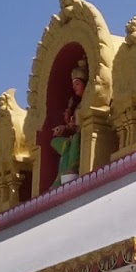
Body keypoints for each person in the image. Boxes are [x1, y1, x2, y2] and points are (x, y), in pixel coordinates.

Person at [50, 59, 87, 187]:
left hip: (85, 133)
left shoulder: (88, 103)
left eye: (77, 84)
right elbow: (73, 125)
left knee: (75, 140)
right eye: (74, 85)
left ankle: (71, 169)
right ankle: (62, 175)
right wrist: (66, 124)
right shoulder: (77, 106)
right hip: (73, 135)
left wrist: (69, 127)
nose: (74, 87)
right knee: (58, 142)